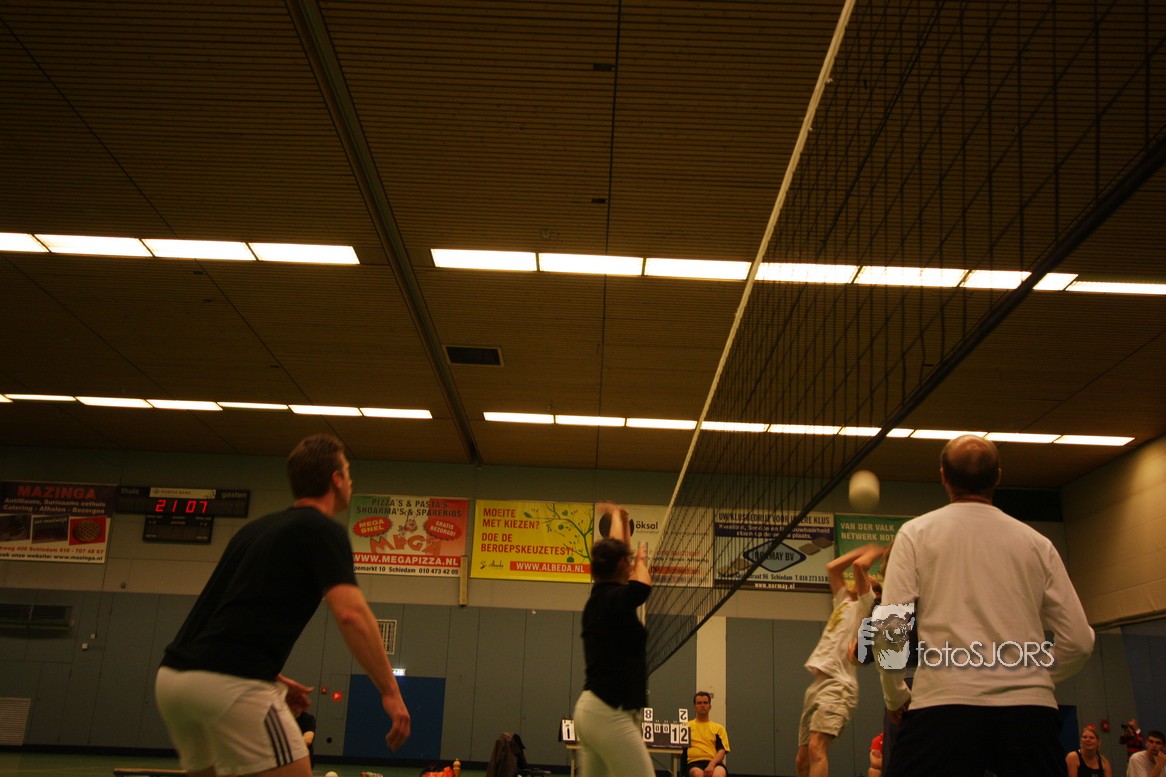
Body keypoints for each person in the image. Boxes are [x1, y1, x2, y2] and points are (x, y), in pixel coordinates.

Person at [155, 434, 411, 777]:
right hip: (233, 685)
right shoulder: (323, 530)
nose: (351, 481)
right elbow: (351, 615)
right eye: (348, 473)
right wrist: (390, 691)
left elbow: (223, 614)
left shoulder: (252, 531)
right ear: (336, 479)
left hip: (173, 682)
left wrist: (274, 675)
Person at [875, 435, 1095, 777]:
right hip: (1029, 713)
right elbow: (1079, 641)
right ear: (998, 477)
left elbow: (891, 628)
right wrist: (1029, 675)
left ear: (943, 477)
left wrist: (895, 695)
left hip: (943, 706)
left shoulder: (915, 533)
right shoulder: (1038, 544)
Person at [573, 501, 654, 777]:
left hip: (593, 711)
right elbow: (641, 588)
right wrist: (641, 561)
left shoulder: (603, 597)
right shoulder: (613, 599)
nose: (630, 562)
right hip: (610, 712)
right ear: (622, 565)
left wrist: (619, 516)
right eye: (627, 561)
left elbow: (617, 554)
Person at [795, 542, 885, 777]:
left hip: (839, 685)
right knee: (802, 760)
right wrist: (866, 548)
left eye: (870, 583)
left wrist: (875, 551)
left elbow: (859, 566)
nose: (862, 582)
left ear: (874, 593)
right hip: (817, 686)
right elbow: (833, 568)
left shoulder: (867, 606)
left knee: (816, 748)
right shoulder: (844, 601)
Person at [687, 691, 730, 777]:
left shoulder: (718, 728)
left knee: (719, 774)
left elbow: (722, 751)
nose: (702, 705)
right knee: (698, 774)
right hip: (693, 763)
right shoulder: (686, 726)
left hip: (713, 762)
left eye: (705, 703)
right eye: (699, 703)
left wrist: (711, 765)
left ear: (710, 706)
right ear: (694, 707)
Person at [289, 696, 316, 766]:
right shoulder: (283, 718)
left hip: (304, 758)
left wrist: (288, 745)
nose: (296, 708)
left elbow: (308, 739)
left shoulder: (308, 719)